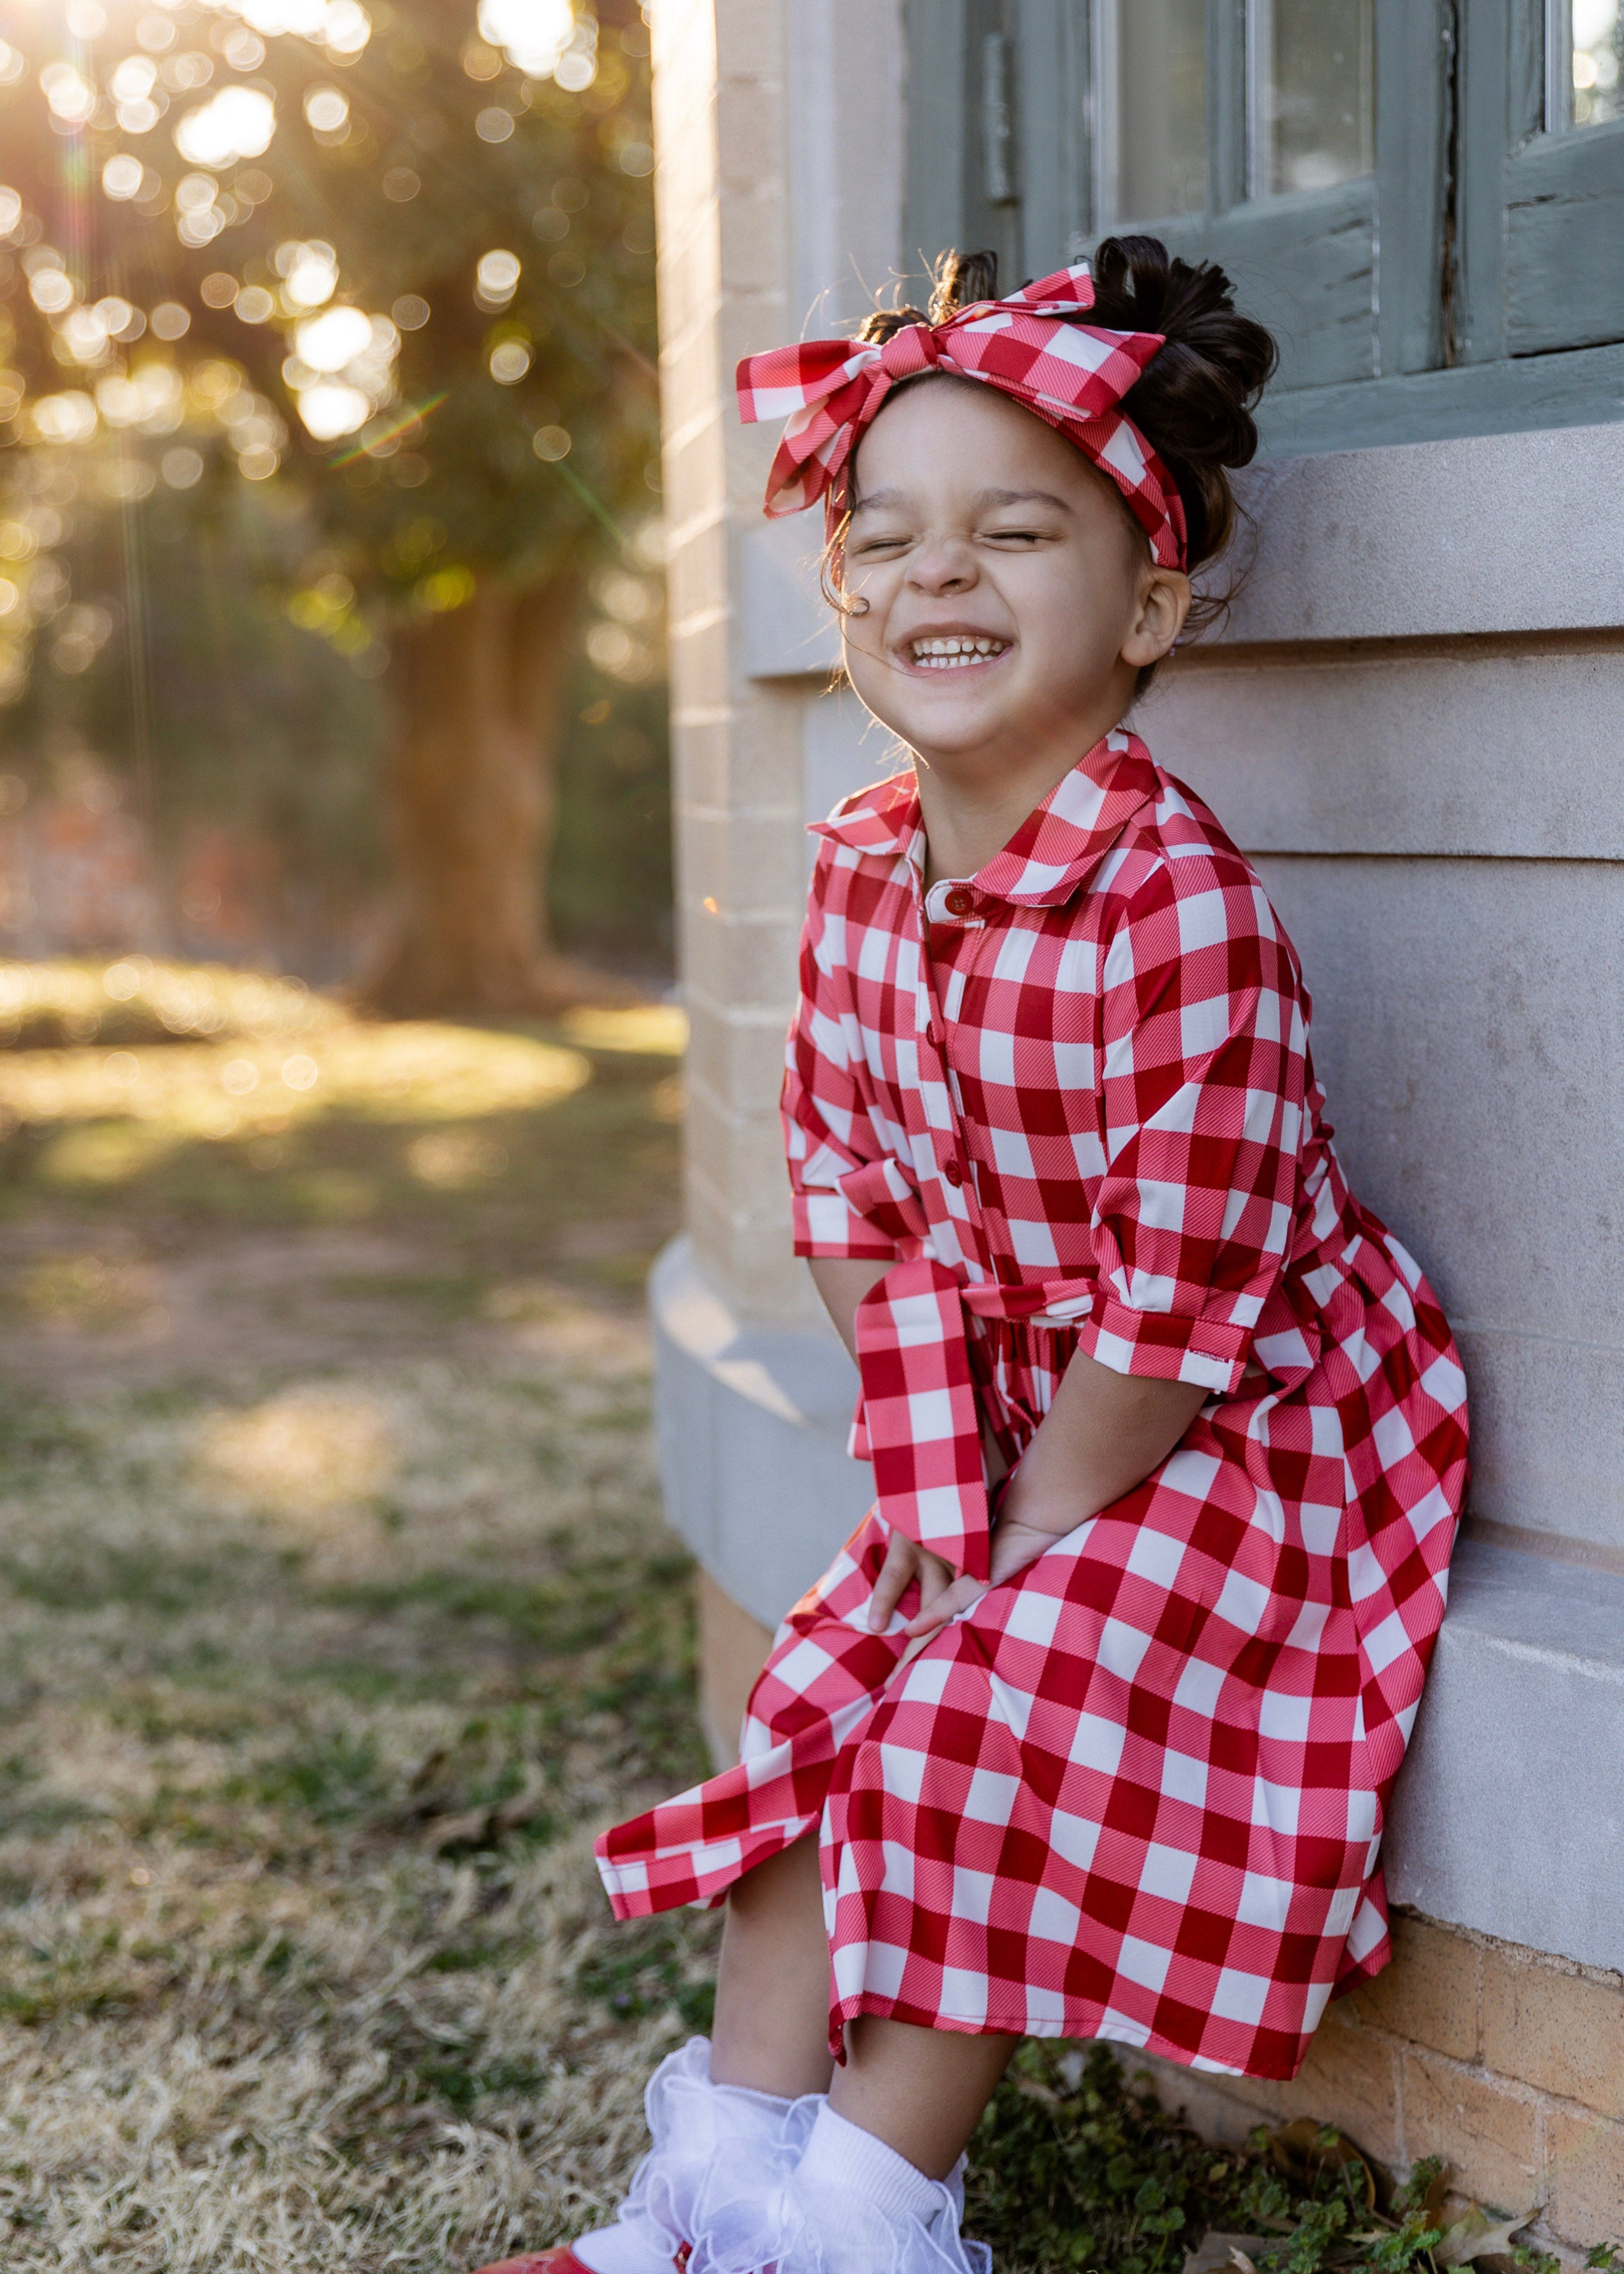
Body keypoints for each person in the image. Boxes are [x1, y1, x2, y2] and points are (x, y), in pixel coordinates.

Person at [471, 241, 1469, 2274]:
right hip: (998, 1413)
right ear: (841, 595)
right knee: (818, 1706)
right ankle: (717, 2185)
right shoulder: (858, 861)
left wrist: (1019, 1531)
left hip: (1220, 1432)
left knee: (965, 1725)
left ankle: (858, 2224)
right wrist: (936, 1471)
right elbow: (839, 1179)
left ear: (1153, 598)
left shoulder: (1172, 902)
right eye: (890, 537)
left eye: (1019, 530)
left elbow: (1178, 1307)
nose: (942, 575)